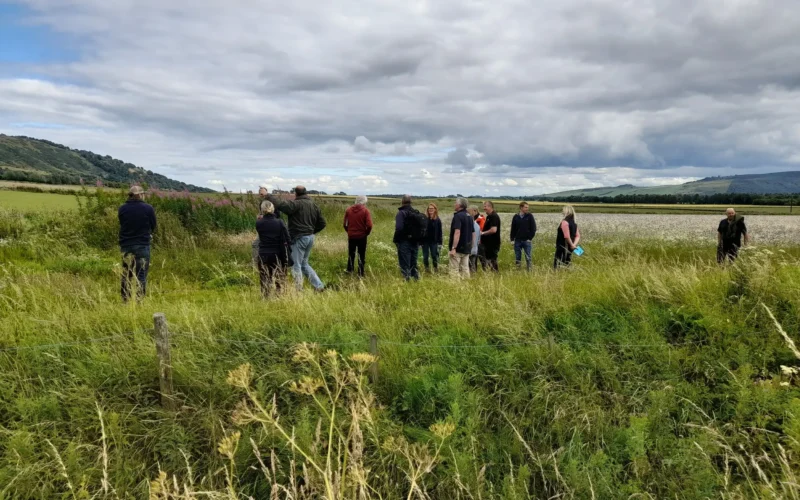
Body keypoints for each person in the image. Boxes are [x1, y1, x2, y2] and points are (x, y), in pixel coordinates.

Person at [266, 185, 326, 292]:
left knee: (296, 265)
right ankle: (319, 286)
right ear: (306, 192)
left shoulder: (297, 204)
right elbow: (322, 223)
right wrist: (311, 232)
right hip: (310, 237)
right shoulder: (314, 205)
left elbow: (281, 204)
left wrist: (267, 195)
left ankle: (299, 290)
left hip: (299, 238)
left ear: (296, 193)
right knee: (304, 264)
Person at [118, 185, 157, 301]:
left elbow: (122, 223)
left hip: (126, 245)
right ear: (140, 195)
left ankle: (125, 300)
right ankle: (139, 301)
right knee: (141, 275)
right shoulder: (148, 208)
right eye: (143, 194)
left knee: (127, 274)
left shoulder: (122, 208)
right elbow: (153, 225)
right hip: (142, 245)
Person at [255, 200, 291, 298]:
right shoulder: (279, 222)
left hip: (263, 253)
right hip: (277, 253)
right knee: (279, 275)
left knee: (264, 276)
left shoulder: (258, 222)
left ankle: (265, 296)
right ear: (273, 209)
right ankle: (279, 295)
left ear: (262, 210)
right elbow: (288, 238)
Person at [252, 185, 283, 266]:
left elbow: (276, 213)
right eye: (260, 192)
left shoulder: (272, 200)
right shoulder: (263, 201)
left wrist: (264, 217)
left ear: (266, 192)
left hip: (271, 224)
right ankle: (262, 262)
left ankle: (257, 263)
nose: (261, 194)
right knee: (259, 244)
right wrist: (261, 216)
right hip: (266, 224)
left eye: (262, 192)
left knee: (256, 244)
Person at [343, 195, 373, 277]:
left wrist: (349, 231)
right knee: (361, 254)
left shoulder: (348, 210)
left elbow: (345, 224)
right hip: (362, 236)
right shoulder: (365, 211)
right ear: (364, 202)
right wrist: (367, 232)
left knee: (351, 253)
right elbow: (369, 225)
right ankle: (360, 272)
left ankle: (350, 270)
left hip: (351, 236)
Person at [393, 195, 421, 281]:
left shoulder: (401, 213)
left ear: (402, 201)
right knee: (413, 262)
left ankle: (406, 281)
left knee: (405, 263)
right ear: (411, 201)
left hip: (404, 241)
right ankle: (416, 280)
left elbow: (399, 228)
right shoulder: (416, 212)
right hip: (415, 241)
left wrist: (396, 240)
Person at [448, 197, 474, 279]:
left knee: (454, 269)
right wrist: (471, 245)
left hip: (458, 248)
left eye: (455, 203)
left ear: (459, 205)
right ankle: (466, 285)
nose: (454, 204)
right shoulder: (469, 216)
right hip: (467, 246)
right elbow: (473, 233)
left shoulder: (458, 216)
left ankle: (455, 287)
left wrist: (453, 247)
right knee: (465, 268)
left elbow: (457, 232)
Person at [510, 201, 537, 270]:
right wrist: (512, 239)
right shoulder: (516, 217)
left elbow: (533, 228)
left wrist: (530, 238)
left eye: (528, 207)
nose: (527, 209)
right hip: (517, 240)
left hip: (526, 240)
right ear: (521, 207)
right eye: (525, 207)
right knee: (517, 257)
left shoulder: (530, 216)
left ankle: (529, 271)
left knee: (528, 257)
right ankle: (518, 270)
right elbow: (513, 229)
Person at [421, 203, 443, 272]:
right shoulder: (424, 218)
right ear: (427, 210)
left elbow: (440, 232)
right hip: (425, 241)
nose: (430, 210)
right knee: (425, 257)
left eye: (432, 209)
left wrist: (440, 242)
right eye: (429, 208)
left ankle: (435, 269)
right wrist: (420, 241)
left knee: (434, 256)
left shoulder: (437, 220)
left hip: (434, 241)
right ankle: (427, 269)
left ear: (435, 210)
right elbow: (421, 230)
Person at [481, 201, 501, 272]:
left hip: (492, 243)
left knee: (492, 260)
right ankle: (492, 274)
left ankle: (495, 275)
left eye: (485, 206)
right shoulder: (489, 216)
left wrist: (482, 233)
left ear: (490, 207)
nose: (484, 208)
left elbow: (493, 230)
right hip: (488, 243)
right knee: (489, 260)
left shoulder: (493, 216)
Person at [468, 208, 483, 273]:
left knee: (466, 267)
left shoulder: (468, 225)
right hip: (475, 249)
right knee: (473, 265)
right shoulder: (477, 225)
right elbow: (479, 239)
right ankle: (473, 279)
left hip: (468, 249)